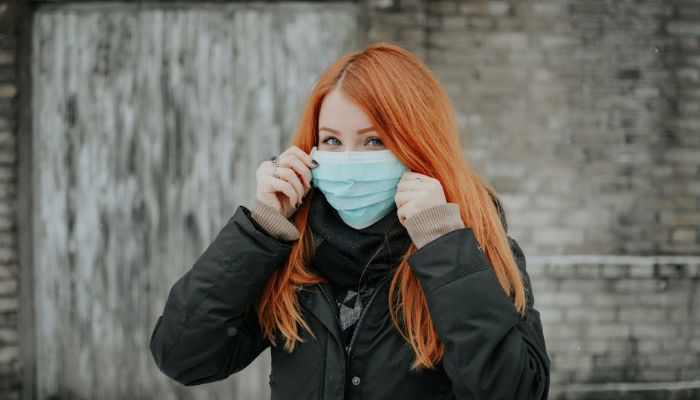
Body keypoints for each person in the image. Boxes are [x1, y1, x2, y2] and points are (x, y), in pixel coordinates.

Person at [149, 41, 550, 399]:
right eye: (332, 141)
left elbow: (513, 390)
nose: (350, 161)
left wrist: (444, 245)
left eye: (374, 141)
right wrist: (258, 229)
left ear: (419, 145)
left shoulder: (477, 249)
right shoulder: (295, 254)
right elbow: (182, 356)